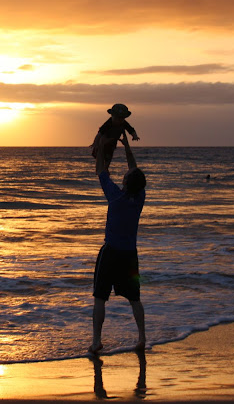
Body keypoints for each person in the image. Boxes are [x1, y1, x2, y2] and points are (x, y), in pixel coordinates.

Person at [89, 130, 147, 354]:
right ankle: (141, 338)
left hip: (111, 252)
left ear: (125, 182)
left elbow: (101, 171)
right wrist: (127, 148)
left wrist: (101, 148)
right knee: (135, 298)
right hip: (130, 255)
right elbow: (134, 170)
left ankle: (96, 341)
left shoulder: (115, 196)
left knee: (100, 298)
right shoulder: (140, 198)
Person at [91, 103, 140, 169]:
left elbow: (131, 130)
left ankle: (106, 168)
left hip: (113, 142)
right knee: (100, 154)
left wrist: (135, 136)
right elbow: (100, 133)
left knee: (109, 156)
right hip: (104, 140)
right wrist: (95, 143)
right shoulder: (108, 123)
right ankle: (101, 168)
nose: (119, 120)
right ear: (112, 116)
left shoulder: (124, 123)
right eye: (117, 118)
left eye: (121, 118)